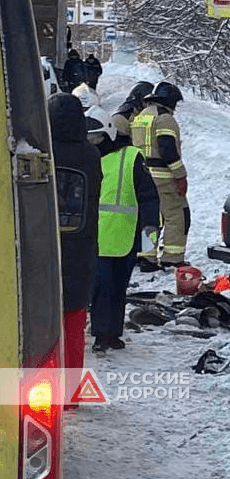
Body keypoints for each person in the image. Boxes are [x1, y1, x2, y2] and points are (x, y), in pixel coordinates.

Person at [85, 106, 159, 352]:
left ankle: (112, 333)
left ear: (108, 133)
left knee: (118, 288)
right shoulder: (88, 156)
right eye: (89, 138)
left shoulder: (131, 157)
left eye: (96, 137)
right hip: (97, 236)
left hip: (124, 235)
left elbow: (148, 195)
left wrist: (150, 228)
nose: (93, 142)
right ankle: (101, 335)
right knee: (103, 289)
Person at [48, 93, 103, 408]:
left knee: (40, 326)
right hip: (81, 251)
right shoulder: (90, 155)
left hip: (42, 250)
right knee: (73, 325)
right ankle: (70, 395)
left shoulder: (43, 151)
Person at [130, 81, 190, 271]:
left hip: (144, 175)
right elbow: (167, 149)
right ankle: (172, 257)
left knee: (151, 216)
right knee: (177, 215)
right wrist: (181, 175)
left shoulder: (140, 116)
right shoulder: (164, 118)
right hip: (163, 177)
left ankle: (146, 256)